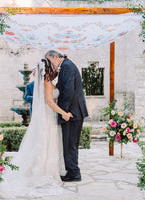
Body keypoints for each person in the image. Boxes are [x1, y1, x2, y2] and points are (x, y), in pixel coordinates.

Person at [0, 59, 73, 198]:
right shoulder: (46, 83)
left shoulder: (46, 83)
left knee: (46, 143)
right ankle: (44, 172)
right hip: (48, 117)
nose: (55, 67)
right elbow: (50, 102)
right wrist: (64, 113)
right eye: (53, 66)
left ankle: (47, 170)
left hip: (48, 117)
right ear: (48, 70)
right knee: (46, 143)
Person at [45, 50, 89, 182]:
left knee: (70, 143)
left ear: (56, 57)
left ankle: (74, 172)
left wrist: (64, 112)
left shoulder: (67, 66)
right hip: (73, 111)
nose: (51, 65)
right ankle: (72, 171)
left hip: (72, 112)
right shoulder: (66, 66)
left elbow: (69, 91)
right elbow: (62, 88)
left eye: (51, 61)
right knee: (70, 143)